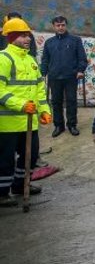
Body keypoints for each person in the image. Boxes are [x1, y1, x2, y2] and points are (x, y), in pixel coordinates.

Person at [0, 18, 52, 207]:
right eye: (22, 35)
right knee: (5, 160)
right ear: (12, 37)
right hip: (8, 123)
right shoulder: (3, 59)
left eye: (28, 35)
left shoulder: (30, 60)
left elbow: (39, 88)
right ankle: (2, 192)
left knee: (30, 155)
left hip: (30, 121)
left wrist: (44, 111)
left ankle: (21, 185)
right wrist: (20, 105)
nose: (27, 39)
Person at [40, 16, 88, 137]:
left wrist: (80, 70)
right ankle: (58, 125)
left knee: (71, 101)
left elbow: (82, 57)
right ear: (54, 27)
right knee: (56, 102)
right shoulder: (49, 42)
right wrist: (42, 73)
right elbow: (45, 59)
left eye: (63, 25)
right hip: (54, 77)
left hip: (71, 76)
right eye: (58, 25)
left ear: (66, 26)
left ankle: (72, 125)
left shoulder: (75, 40)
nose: (60, 27)